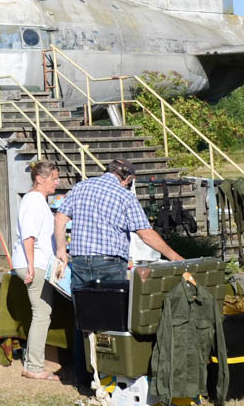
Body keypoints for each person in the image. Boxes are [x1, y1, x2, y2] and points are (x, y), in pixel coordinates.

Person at [53, 158, 182, 294]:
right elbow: (146, 234)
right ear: (128, 179)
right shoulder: (125, 196)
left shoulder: (80, 187)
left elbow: (59, 219)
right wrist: (175, 257)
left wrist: (61, 250)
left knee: (83, 307)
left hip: (80, 260)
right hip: (110, 263)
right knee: (110, 309)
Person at [11, 160, 60, 380]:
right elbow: (28, 235)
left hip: (39, 263)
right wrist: (31, 265)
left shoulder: (39, 201)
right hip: (34, 264)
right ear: (40, 179)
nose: (56, 184)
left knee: (42, 313)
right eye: (53, 179)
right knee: (41, 314)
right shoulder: (33, 201)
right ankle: (33, 366)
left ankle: (35, 363)